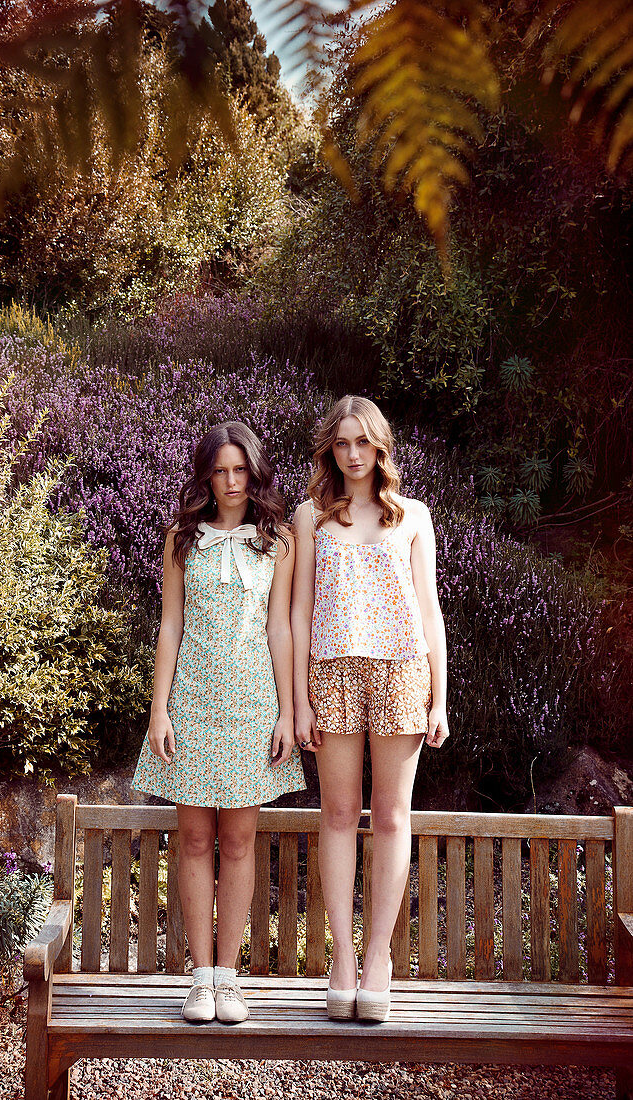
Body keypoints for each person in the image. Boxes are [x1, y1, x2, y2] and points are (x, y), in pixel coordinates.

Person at [132, 421, 305, 1025]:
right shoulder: (181, 539)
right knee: (197, 841)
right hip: (192, 703)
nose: (231, 482)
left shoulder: (278, 541)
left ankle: (229, 979)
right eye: (220, 470)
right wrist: (159, 710)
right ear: (206, 474)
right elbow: (170, 627)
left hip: (252, 704)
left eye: (240, 470)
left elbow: (281, 629)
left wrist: (288, 711)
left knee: (237, 843)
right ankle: (199, 978)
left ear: (253, 473)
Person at [291, 395, 449, 1022]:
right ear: (330, 448)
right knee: (335, 815)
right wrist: (299, 700)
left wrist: (441, 696)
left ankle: (378, 955)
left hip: (400, 672)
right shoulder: (310, 516)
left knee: (389, 817)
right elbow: (300, 610)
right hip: (330, 673)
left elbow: (430, 610)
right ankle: (343, 959)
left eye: (362, 443)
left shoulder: (412, 516)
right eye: (341, 444)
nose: (352, 455)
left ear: (380, 446)